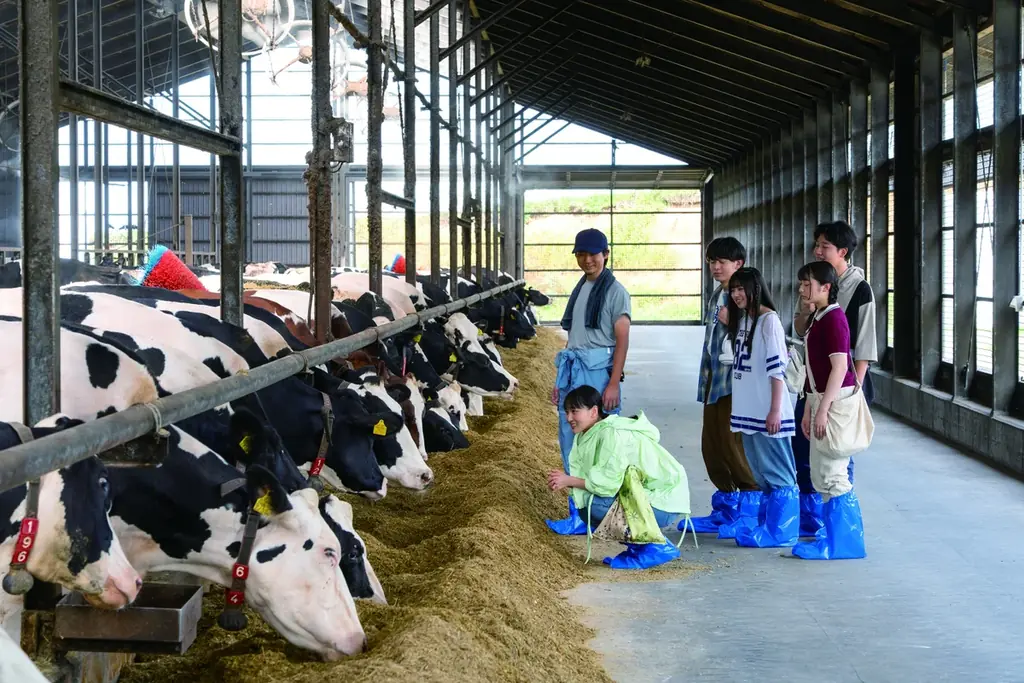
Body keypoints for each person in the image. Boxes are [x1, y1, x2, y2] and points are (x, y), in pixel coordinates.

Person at [792, 221, 877, 538]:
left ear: (842, 252)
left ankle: (841, 532)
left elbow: (862, 348)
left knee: (837, 457)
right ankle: (815, 522)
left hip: (840, 388)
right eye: (817, 244)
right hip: (813, 385)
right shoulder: (813, 282)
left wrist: (847, 399)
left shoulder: (859, 290)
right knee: (809, 454)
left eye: (824, 246)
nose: (818, 250)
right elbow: (802, 330)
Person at [546, 228, 631, 535]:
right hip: (575, 369)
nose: (587, 260)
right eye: (581, 255)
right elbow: (575, 336)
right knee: (572, 441)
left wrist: (613, 383)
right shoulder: (582, 286)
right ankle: (578, 515)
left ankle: (597, 514)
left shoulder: (615, 291)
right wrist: (562, 381)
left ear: (606, 254)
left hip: (597, 374)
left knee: (599, 444)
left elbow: (622, 339)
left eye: (593, 254)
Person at [547, 385, 690, 569]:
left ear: (594, 411)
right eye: (567, 412)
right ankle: (639, 546)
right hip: (647, 499)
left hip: (662, 503)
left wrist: (568, 481)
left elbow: (606, 485)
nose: (569, 418)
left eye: (574, 411)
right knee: (588, 505)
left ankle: (656, 545)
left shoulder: (611, 433)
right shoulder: (592, 432)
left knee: (594, 506)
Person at [715, 268, 799, 547]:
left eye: (742, 289)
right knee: (761, 473)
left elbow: (777, 369)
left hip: (766, 413)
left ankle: (782, 532)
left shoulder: (769, 321)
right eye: (734, 290)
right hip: (748, 413)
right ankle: (768, 526)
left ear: (756, 288)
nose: (737, 295)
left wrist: (775, 410)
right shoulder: (744, 321)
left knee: (778, 471)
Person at [683, 237, 761, 538]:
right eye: (712, 261)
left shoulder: (745, 298)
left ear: (739, 264)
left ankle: (750, 511)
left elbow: (758, 334)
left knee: (734, 447)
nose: (716, 267)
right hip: (714, 381)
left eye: (722, 262)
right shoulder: (717, 294)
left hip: (734, 385)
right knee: (712, 446)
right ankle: (726, 509)